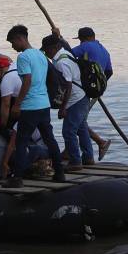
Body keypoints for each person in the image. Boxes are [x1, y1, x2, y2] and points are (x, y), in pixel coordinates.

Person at [5, 25, 64, 187]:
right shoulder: (40, 55)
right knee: (50, 139)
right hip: (44, 104)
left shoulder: (23, 57)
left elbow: (27, 81)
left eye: (12, 42)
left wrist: (17, 104)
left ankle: (17, 178)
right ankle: (59, 172)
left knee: (21, 142)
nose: (13, 46)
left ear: (20, 38)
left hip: (30, 106)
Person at [41, 35, 94, 169]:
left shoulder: (61, 62)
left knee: (68, 131)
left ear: (54, 48)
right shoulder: (65, 54)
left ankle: (75, 161)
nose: (46, 53)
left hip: (76, 99)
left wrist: (63, 108)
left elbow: (68, 86)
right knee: (81, 128)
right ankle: (88, 157)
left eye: (46, 50)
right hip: (82, 96)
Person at [69, 26, 112, 160]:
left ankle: (99, 142)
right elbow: (109, 71)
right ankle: (89, 151)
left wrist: (59, 38)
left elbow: (66, 54)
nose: (80, 42)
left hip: (84, 90)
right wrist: (98, 86)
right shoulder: (104, 50)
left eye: (80, 40)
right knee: (79, 120)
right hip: (95, 90)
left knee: (76, 120)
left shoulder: (86, 46)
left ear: (84, 38)